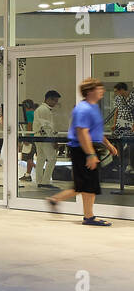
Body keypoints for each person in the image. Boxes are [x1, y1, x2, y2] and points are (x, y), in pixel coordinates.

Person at [48, 78, 111, 225]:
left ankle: (59, 201)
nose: (102, 91)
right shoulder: (83, 109)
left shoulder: (93, 107)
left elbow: (95, 131)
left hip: (90, 148)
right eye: (98, 88)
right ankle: (88, 216)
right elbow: (82, 132)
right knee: (86, 184)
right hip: (82, 149)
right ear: (89, 92)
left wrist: (107, 144)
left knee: (86, 184)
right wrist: (90, 154)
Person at [34, 90, 61, 188]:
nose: (56, 103)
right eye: (55, 101)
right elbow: (47, 126)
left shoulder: (40, 109)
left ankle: (39, 181)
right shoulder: (44, 110)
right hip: (45, 137)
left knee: (41, 158)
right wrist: (53, 140)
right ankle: (45, 181)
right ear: (49, 99)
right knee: (52, 158)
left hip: (39, 136)